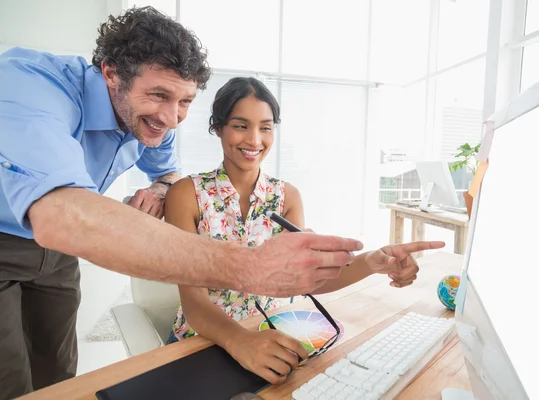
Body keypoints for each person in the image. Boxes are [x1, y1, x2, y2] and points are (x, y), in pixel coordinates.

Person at [0, 7, 362, 399]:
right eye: (159, 95)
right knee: (9, 379)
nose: (172, 118)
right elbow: (60, 216)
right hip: (9, 237)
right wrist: (251, 266)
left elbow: (166, 173)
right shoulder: (28, 85)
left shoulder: (157, 119)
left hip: (56, 255)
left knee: (57, 374)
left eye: (185, 101)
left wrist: (158, 191)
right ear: (110, 73)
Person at [163, 77, 445, 384]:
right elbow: (194, 303)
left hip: (267, 338)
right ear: (218, 127)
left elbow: (306, 280)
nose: (255, 140)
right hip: (202, 341)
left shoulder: (287, 197)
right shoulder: (185, 194)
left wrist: (371, 261)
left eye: (266, 127)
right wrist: (240, 341)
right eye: (241, 126)